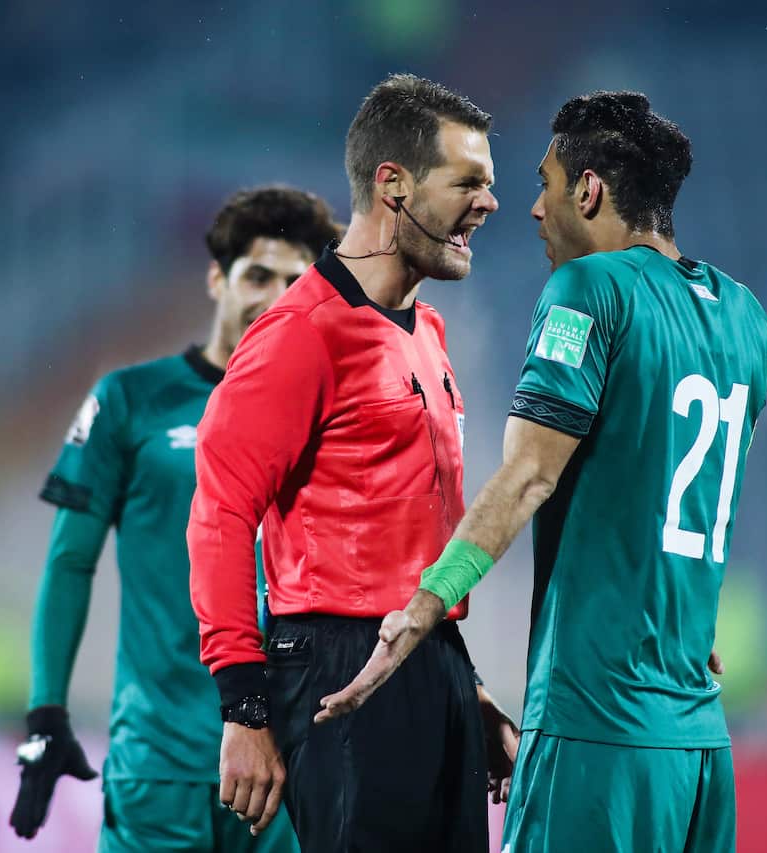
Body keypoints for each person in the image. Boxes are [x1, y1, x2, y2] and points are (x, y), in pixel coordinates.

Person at [318, 91, 767, 853]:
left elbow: (530, 476)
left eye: (545, 184)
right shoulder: (746, 316)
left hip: (598, 725)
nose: (531, 210)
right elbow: (697, 494)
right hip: (701, 745)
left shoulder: (588, 289)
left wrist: (428, 600)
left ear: (589, 190)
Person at [187, 73, 515, 853]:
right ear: (392, 185)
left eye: (492, 184)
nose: (490, 202)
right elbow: (221, 513)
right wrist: (244, 707)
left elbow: (410, 536)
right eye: (467, 181)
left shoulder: (426, 331)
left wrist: (457, 683)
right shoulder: (300, 334)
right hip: (337, 667)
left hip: (427, 656)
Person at [10, 186, 339, 852]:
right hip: (159, 760)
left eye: (293, 281)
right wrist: (47, 710)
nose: (273, 295)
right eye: (257, 275)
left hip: (288, 759)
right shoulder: (130, 399)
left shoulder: (331, 410)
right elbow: (70, 560)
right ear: (217, 278)